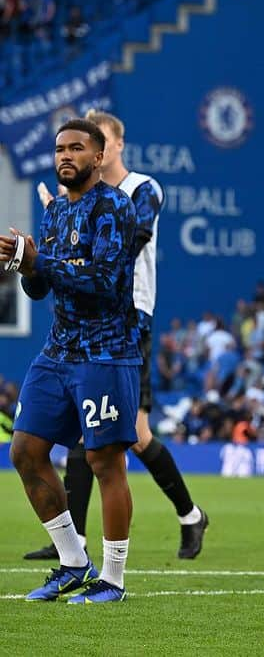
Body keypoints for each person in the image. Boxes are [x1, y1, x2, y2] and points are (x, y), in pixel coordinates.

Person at [24, 109, 209, 563]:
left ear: (112, 146)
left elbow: (127, 247)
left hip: (128, 317)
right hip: (72, 330)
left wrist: (61, 244)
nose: (72, 153)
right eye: (63, 147)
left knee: (122, 438)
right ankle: (78, 544)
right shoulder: (69, 204)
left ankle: (181, 517)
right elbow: (45, 277)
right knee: (92, 439)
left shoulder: (137, 192)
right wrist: (45, 245)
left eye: (86, 143)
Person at [0, 119, 140, 603]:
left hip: (106, 351)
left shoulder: (117, 209)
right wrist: (24, 264)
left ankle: (114, 580)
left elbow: (101, 281)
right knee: (24, 450)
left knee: (105, 461)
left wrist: (41, 262)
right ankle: (73, 561)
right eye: (60, 148)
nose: (65, 155)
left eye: (76, 148)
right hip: (59, 350)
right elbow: (42, 287)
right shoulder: (56, 213)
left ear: (98, 157)